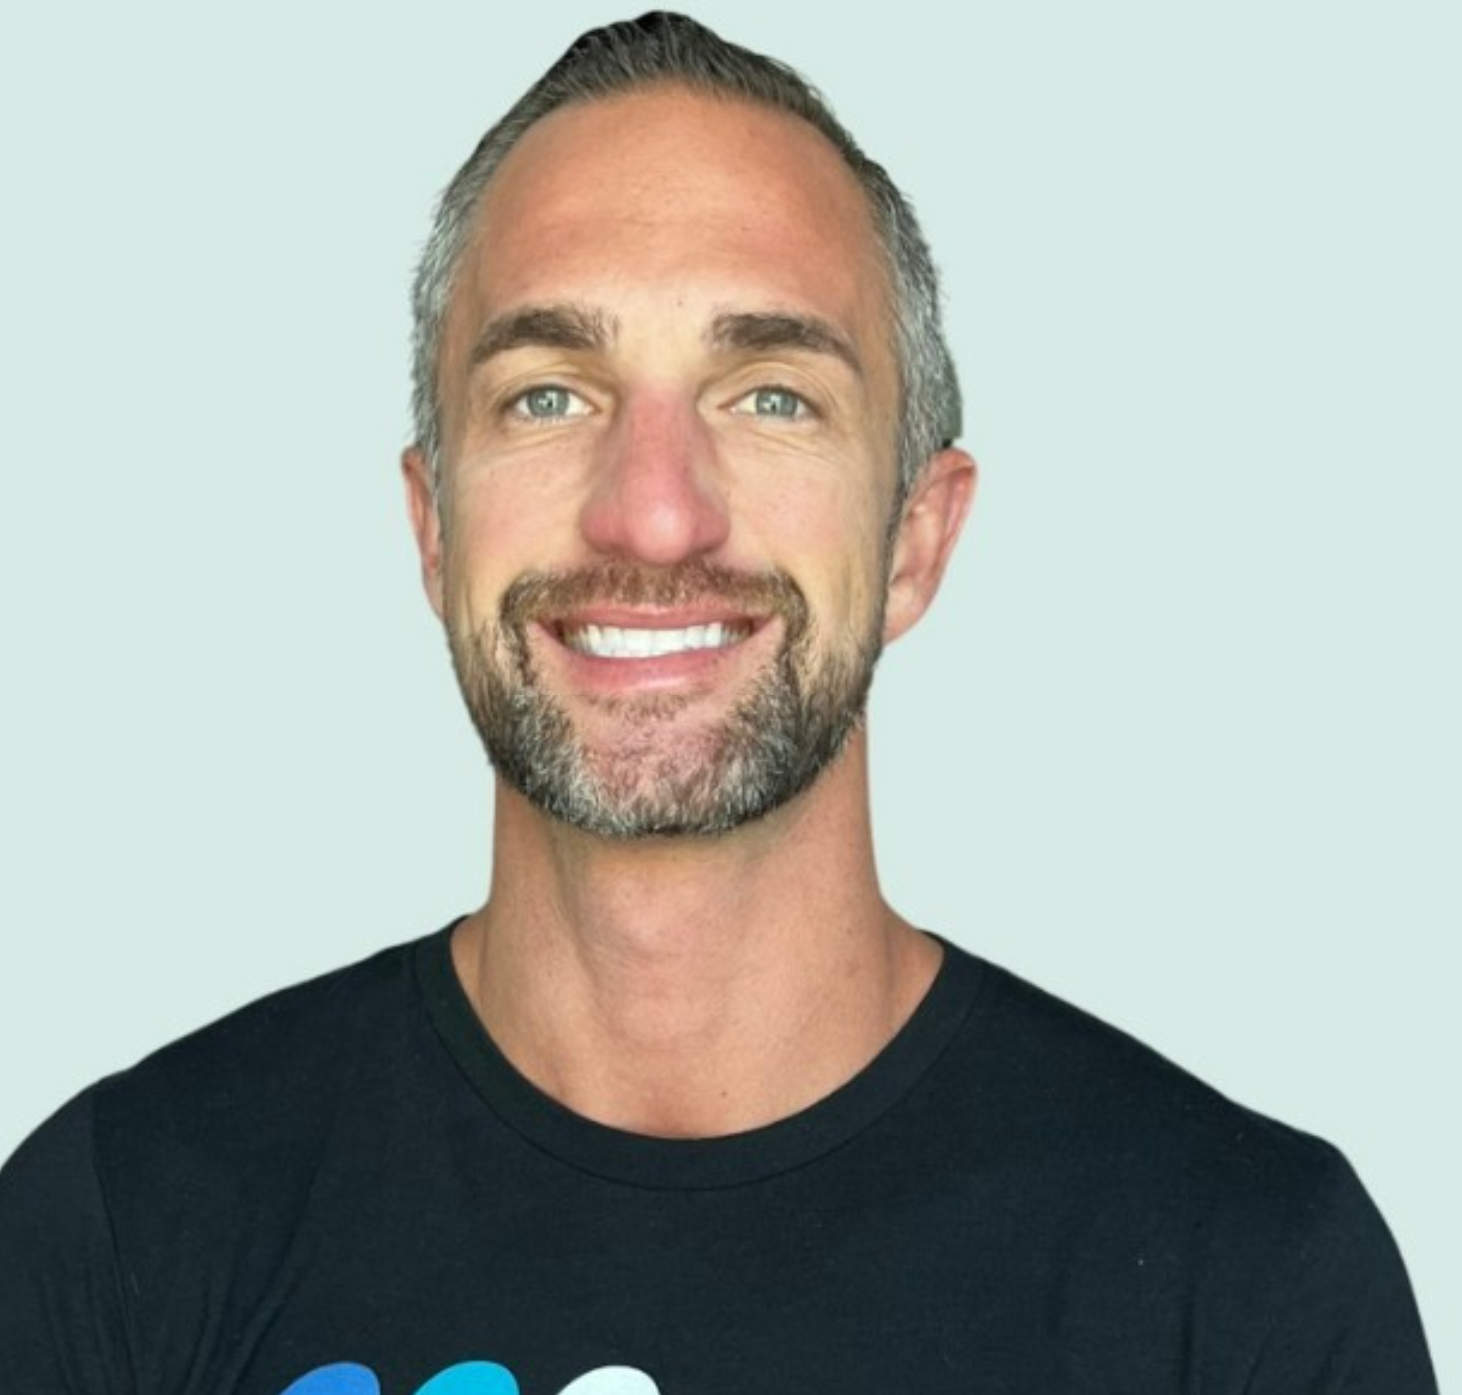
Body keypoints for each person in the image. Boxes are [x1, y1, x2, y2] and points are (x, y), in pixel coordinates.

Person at [0, 13, 1437, 1394]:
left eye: (770, 396)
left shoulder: (1246, 1283)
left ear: (915, 538)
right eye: (548, 395)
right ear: (434, 529)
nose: (653, 512)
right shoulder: (117, 1229)